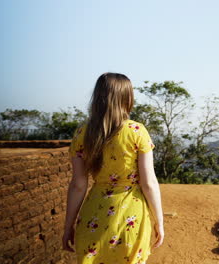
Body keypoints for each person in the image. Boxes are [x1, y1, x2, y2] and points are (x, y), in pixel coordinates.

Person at [62, 72, 164, 264]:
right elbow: (148, 182)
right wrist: (159, 221)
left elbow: (78, 185)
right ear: (127, 98)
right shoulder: (136, 131)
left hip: (93, 219)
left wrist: (68, 227)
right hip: (130, 219)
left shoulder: (82, 133)